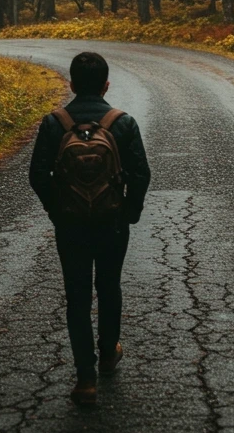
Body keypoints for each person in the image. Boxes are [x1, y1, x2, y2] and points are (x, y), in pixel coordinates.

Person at [29, 50, 151, 406]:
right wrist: (130, 211)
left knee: (78, 295)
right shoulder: (122, 122)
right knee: (109, 286)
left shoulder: (55, 122)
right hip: (111, 221)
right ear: (106, 84)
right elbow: (141, 173)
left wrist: (56, 210)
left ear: (71, 84)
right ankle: (109, 354)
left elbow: (37, 175)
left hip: (71, 224)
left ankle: (85, 378)